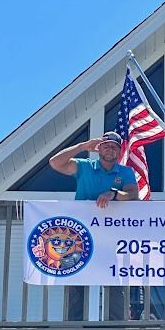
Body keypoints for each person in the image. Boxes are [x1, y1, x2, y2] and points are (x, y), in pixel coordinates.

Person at [49, 131, 139, 319]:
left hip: (109, 237)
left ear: (119, 151)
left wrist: (114, 193)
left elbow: (132, 195)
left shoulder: (125, 172)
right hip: (80, 236)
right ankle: (74, 328)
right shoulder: (85, 166)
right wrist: (82, 146)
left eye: (114, 147)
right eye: (106, 145)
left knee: (113, 280)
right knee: (76, 280)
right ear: (99, 148)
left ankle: (116, 327)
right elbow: (55, 163)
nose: (109, 149)